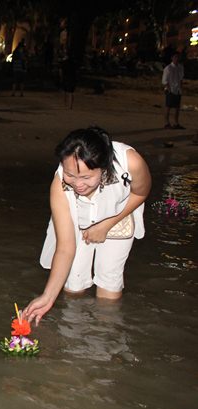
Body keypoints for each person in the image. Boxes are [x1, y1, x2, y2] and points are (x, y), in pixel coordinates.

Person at [23, 127, 151, 325]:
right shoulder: (59, 185)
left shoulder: (130, 162)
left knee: (109, 282)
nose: (78, 184)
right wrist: (47, 297)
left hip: (118, 213)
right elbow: (65, 248)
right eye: (70, 175)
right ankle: (73, 332)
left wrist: (106, 225)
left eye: (86, 177)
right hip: (79, 218)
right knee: (73, 285)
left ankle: (104, 335)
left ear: (104, 167)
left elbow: (141, 193)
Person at [162, 52, 184, 129]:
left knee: (177, 108)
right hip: (170, 89)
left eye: (177, 57)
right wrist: (168, 89)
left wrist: (180, 88)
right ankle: (166, 123)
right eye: (175, 57)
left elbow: (181, 79)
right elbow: (164, 81)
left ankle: (176, 123)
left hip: (177, 89)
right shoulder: (168, 68)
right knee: (168, 107)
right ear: (172, 58)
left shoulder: (180, 67)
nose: (176, 59)